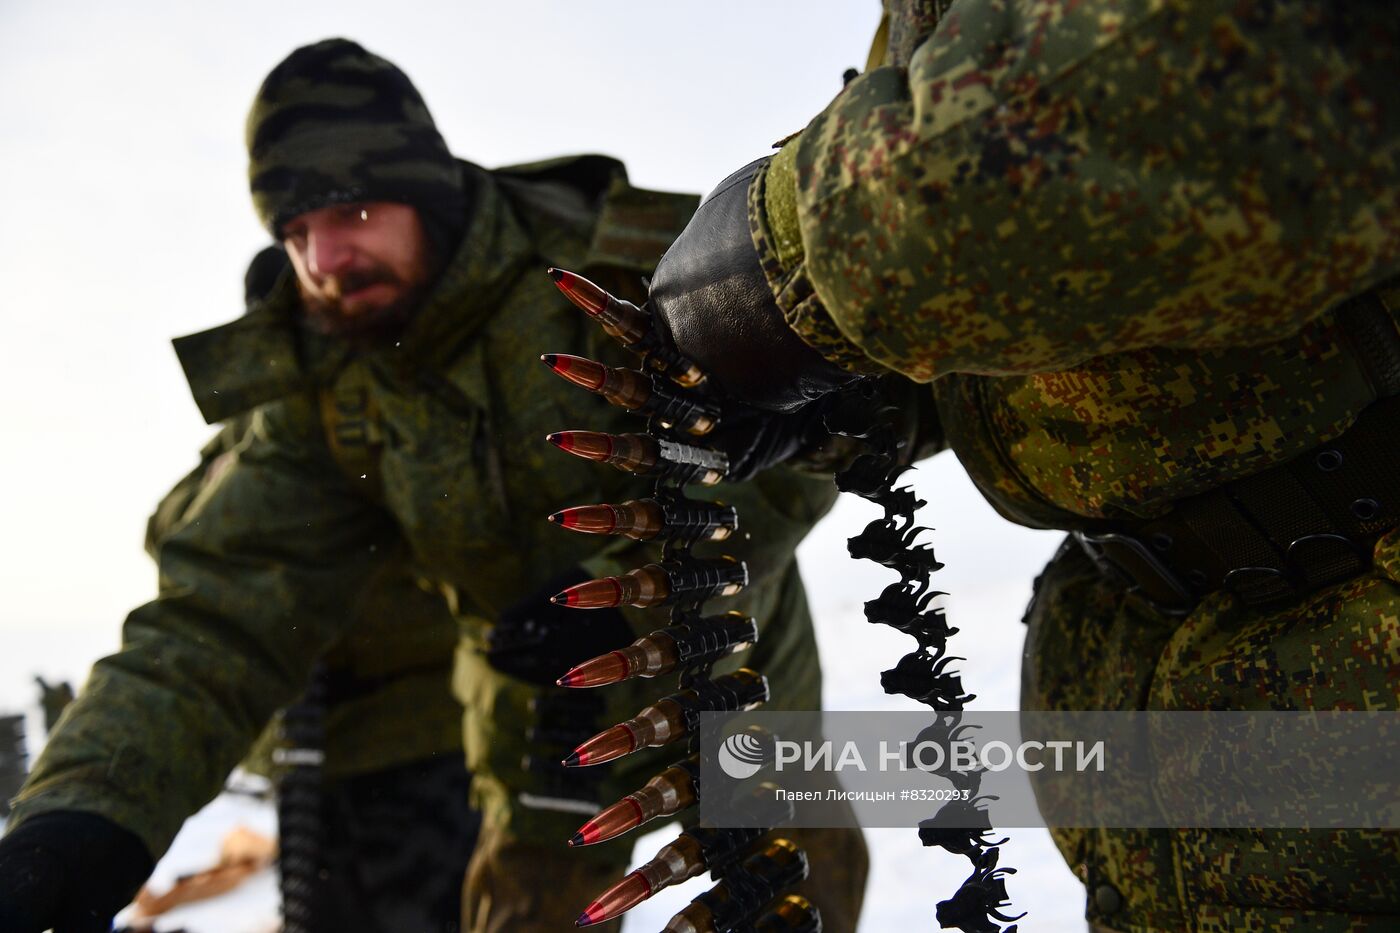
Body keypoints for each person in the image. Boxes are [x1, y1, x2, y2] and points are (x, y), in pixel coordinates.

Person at [0, 39, 868, 933]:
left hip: (744, 693)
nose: (324, 258)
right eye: (294, 234)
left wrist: (628, 593)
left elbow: (800, 432)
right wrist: (80, 817)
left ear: (426, 191)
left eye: (352, 211)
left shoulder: (627, 267)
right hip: (540, 744)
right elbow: (219, 614)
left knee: (796, 901)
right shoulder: (326, 385)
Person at [645, 1, 1400, 931]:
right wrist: (870, 400)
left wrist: (804, 247)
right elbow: (1109, 293)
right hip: (1171, 728)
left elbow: (1227, 79)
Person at [135, 245, 477, 932]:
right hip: (320, 752)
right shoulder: (262, 424)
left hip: (427, 746)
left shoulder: (391, 399)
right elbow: (174, 533)